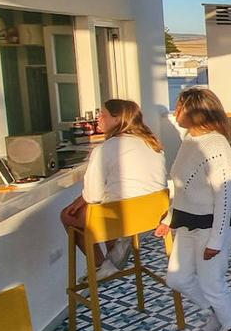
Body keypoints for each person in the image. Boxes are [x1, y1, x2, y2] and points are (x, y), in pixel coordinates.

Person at [155, 88, 231, 331]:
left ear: (195, 111)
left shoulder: (216, 146)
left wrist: (216, 241)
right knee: (177, 278)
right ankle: (219, 314)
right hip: (187, 223)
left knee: (212, 283)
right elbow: (184, 187)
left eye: (179, 106)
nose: (175, 111)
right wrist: (169, 219)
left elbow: (225, 195)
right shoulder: (191, 140)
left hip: (211, 226)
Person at [60, 99, 167, 279]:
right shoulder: (152, 144)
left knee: (68, 215)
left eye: (103, 115)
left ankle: (102, 265)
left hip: (121, 218)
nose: (98, 119)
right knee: (104, 203)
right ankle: (117, 249)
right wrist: (81, 200)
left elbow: (93, 196)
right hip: (152, 216)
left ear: (118, 119)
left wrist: (82, 200)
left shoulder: (104, 150)